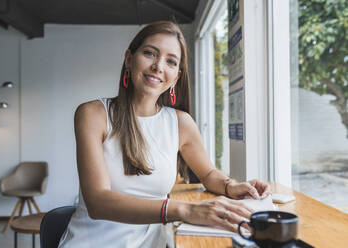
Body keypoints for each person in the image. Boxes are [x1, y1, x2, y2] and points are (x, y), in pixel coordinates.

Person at [58, 21, 271, 248]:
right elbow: (98, 202)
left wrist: (230, 186)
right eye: (150, 53)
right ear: (129, 59)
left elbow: (207, 173)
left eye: (171, 61)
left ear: (176, 77)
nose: (159, 66)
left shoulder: (180, 122)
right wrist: (185, 209)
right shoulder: (93, 114)